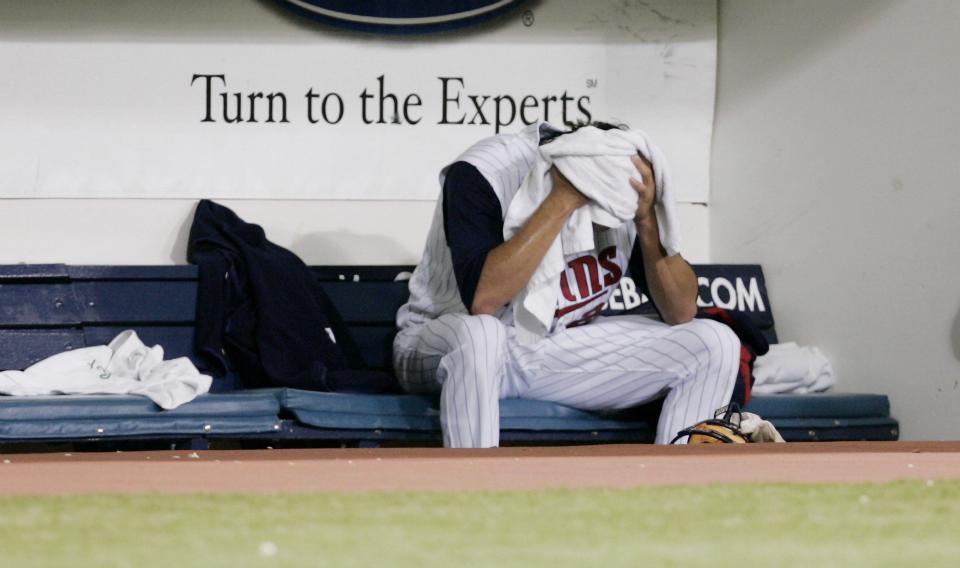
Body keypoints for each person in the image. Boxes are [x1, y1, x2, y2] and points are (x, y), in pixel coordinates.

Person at [393, 121, 740, 448]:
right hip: (443, 345)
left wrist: (646, 220)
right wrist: (562, 198)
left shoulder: (618, 184)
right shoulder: (486, 171)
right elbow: (485, 300)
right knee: (482, 335)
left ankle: (681, 499)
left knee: (714, 343)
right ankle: (473, 499)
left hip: (548, 345)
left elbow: (681, 310)